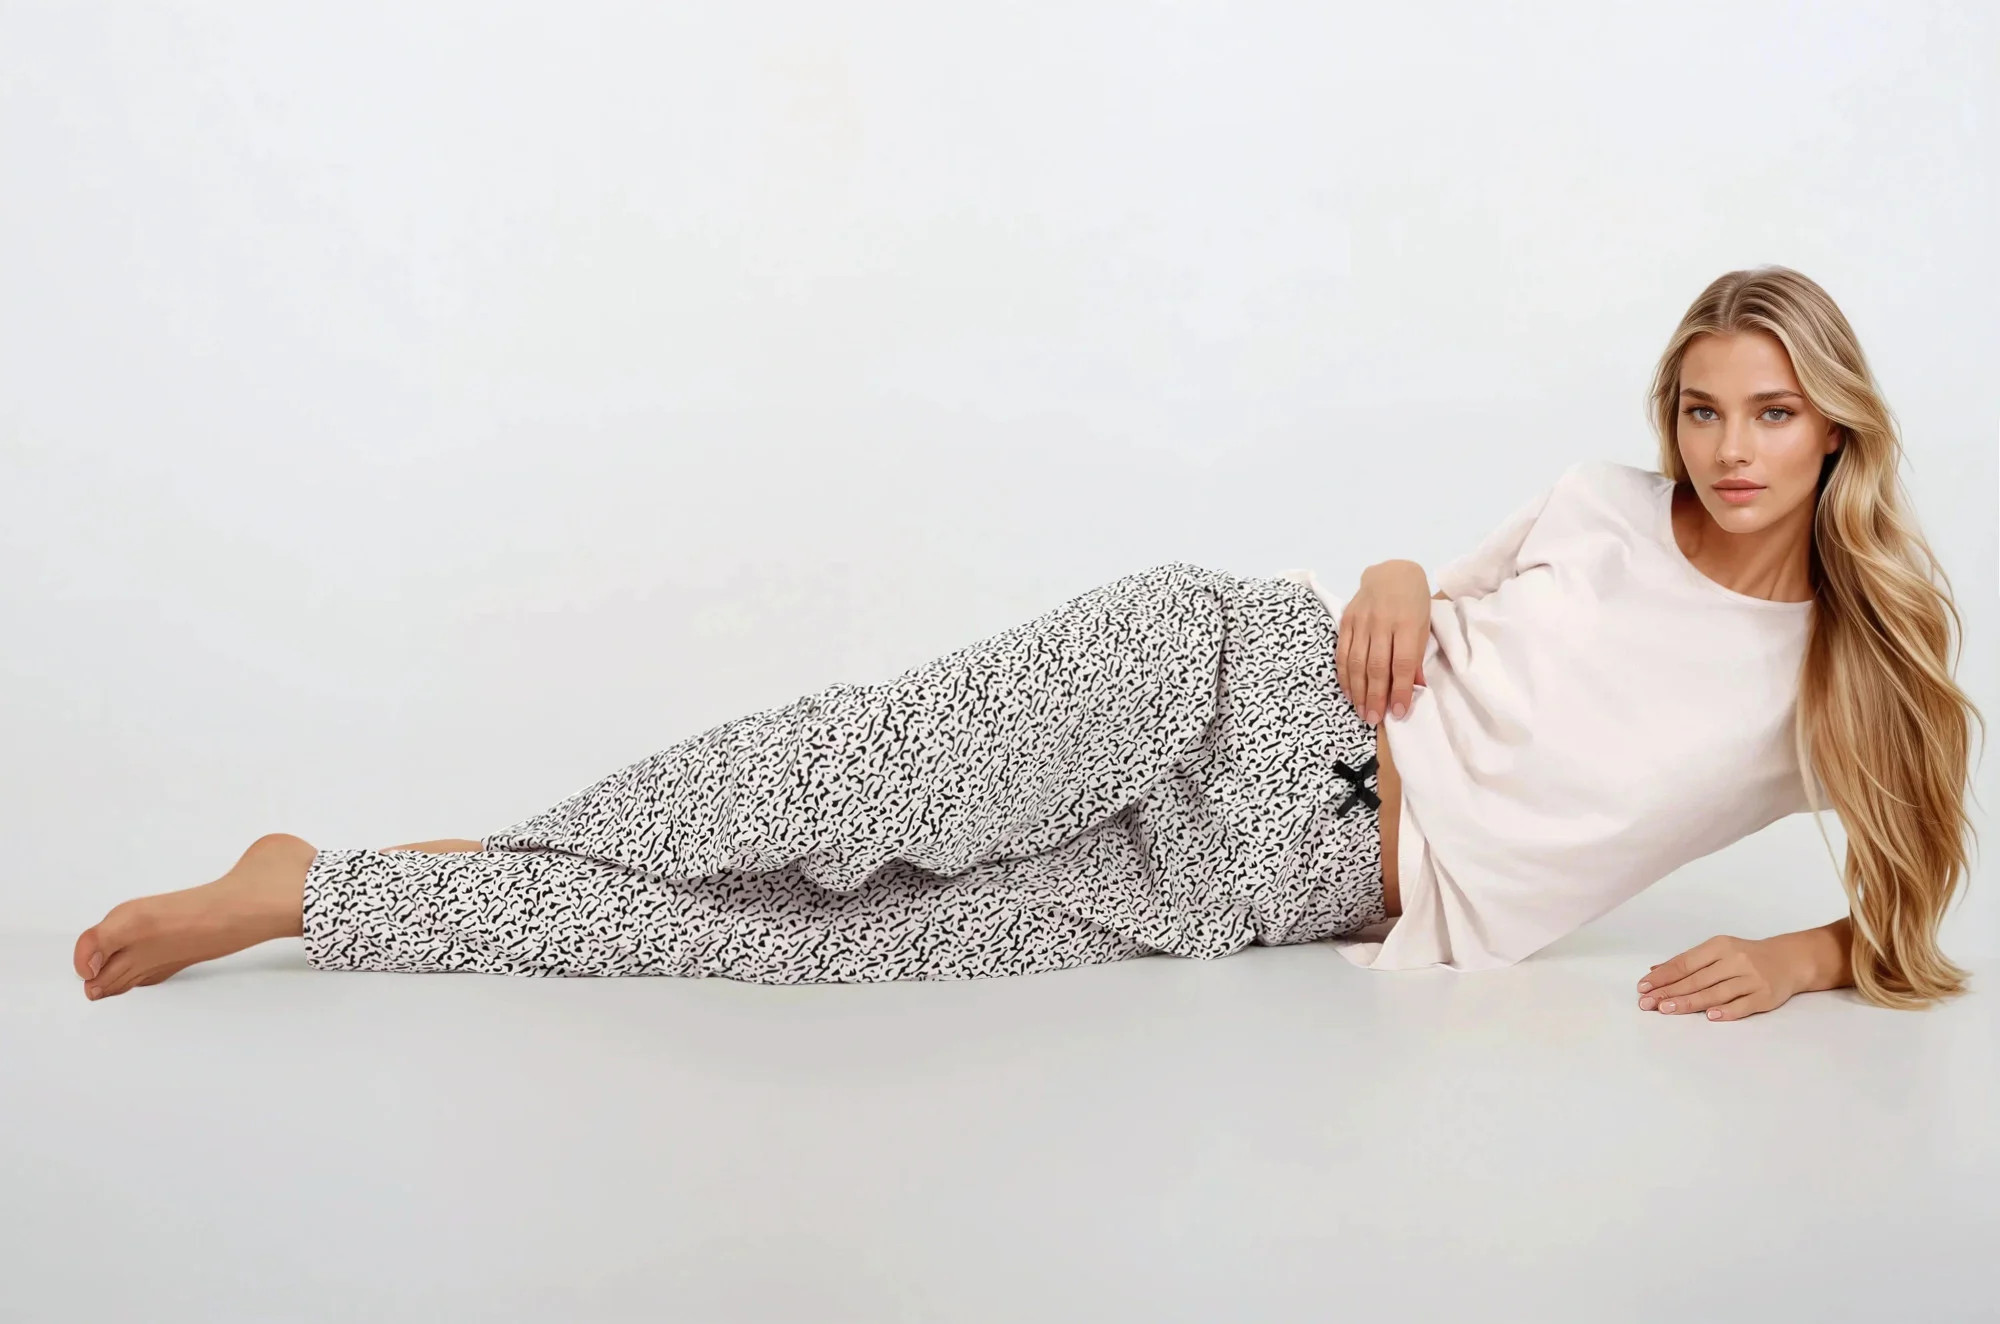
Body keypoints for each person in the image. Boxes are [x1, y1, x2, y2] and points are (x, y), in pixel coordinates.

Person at [72, 265, 1981, 1018]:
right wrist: (1397, 570)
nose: (1730, 451)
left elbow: (1921, 896)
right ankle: (326, 889)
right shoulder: (1594, 504)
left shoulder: (1850, 674)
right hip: (1227, 686)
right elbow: (1425, 604)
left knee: (800, 949)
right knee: (826, 791)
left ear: (1839, 429)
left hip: (1274, 889)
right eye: (1704, 410)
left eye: (1772, 414)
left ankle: (330, 881)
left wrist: (1801, 955)